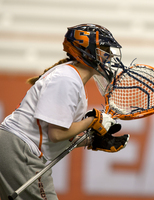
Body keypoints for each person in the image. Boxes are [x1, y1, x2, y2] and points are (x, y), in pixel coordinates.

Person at [0, 23, 129, 200]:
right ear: (87, 52)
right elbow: (56, 134)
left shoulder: (69, 77)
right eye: (104, 50)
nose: (109, 56)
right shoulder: (67, 79)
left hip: (14, 147)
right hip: (21, 150)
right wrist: (91, 122)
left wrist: (92, 141)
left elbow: (58, 133)